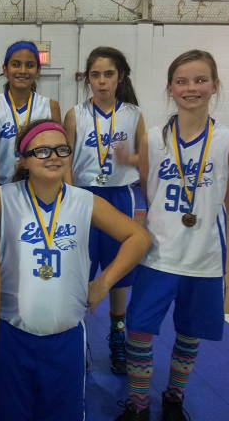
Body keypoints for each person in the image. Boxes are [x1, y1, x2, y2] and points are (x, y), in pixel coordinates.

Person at [0, 119, 151, 421]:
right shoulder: (2, 198)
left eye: (61, 149)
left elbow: (138, 238)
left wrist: (103, 282)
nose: (53, 156)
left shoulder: (85, 201)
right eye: (42, 151)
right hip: (11, 334)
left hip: (67, 337)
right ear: (23, 160)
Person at [116, 50, 229, 421]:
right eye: (182, 81)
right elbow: (149, 192)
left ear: (215, 85)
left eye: (201, 80)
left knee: (189, 334)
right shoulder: (153, 140)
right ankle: (138, 404)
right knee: (139, 330)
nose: (191, 88)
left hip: (204, 259)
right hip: (158, 255)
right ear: (170, 88)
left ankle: (174, 397)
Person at [64, 46, 146, 374]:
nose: (101, 81)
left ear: (120, 77)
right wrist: (69, 199)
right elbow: (65, 160)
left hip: (119, 197)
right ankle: (76, 334)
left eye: (108, 74)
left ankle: (117, 335)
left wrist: (133, 160)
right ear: (87, 79)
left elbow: (146, 158)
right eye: (95, 75)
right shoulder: (75, 114)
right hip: (83, 195)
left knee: (119, 273)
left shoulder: (134, 114)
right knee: (79, 269)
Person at [0, 40, 61, 185]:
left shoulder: (50, 107)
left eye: (29, 65)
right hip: (0, 188)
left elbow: (57, 152)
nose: (23, 70)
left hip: (39, 186)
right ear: (5, 69)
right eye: (16, 64)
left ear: (38, 70)